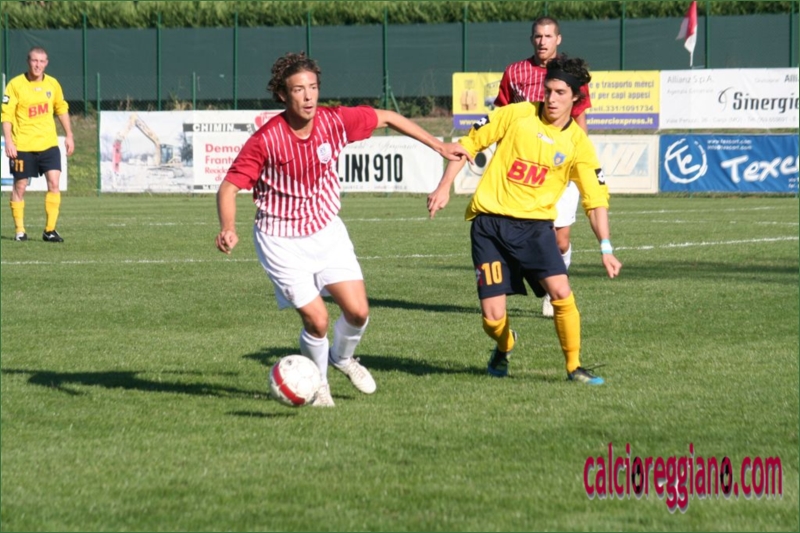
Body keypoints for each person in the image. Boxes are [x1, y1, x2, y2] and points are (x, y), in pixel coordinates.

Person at [215, 52, 472, 407]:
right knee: (317, 320)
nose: (308, 96)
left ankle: (342, 358)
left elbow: (388, 116)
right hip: (280, 241)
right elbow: (228, 188)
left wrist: (439, 145)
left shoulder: (334, 121)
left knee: (358, 312)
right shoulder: (266, 140)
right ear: (283, 95)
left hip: (326, 231)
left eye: (313, 87)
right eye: (298, 90)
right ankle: (318, 385)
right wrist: (228, 227)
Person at [427, 55, 621, 385]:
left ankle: (574, 367)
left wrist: (606, 247)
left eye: (560, 93)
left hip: (535, 230)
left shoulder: (578, 145)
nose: (551, 99)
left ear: (575, 98)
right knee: (493, 318)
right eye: (548, 90)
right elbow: (468, 144)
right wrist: (444, 186)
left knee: (561, 292)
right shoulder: (515, 114)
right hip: (490, 226)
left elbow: (596, 200)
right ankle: (505, 344)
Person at [495, 16, 592, 317]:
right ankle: (545, 289)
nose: (542, 41)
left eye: (548, 36)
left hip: (560, 165)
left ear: (558, 39)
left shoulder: (571, 74)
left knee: (560, 240)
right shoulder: (515, 72)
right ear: (531, 39)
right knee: (529, 234)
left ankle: (556, 288)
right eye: (538, 36)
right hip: (524, 168)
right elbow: (501, 116)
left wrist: (580, 159)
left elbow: (580, 118)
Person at [2, 46, 74, 242]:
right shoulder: (15, 84)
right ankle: (20, 231)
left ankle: (50, 230)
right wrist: (8, 140)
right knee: (20, 186)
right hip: (22, 146)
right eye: (34, 60)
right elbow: (6, 114)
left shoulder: (53, 84)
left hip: (48, 145)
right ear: (28, 61)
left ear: (46, 63)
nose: (38, 65)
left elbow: (61, 109)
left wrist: (69, 135)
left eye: (42, 61)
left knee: (54, 184)